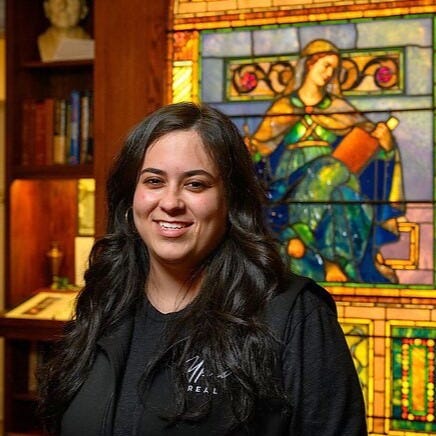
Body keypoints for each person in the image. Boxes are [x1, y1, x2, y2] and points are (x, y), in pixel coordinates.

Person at [37, 102, 367, 435]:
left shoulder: (294, 314)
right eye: (154, 181)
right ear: (131, 195)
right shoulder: (105, 302)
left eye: (195, 184)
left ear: (231, 200)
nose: (170, 202)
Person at [247, 39, 405, 284]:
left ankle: (301, 234)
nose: (330, 73)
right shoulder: (283, 106)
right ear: (309, 64)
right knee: (335, 183)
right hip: (292, 177)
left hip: (336, 170)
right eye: (326, 66)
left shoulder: (339, 108)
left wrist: (385, 145)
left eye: (334, 69)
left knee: (341, 187)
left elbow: (369, 145)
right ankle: (330, 261)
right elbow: (258, 150)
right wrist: (250, 148)